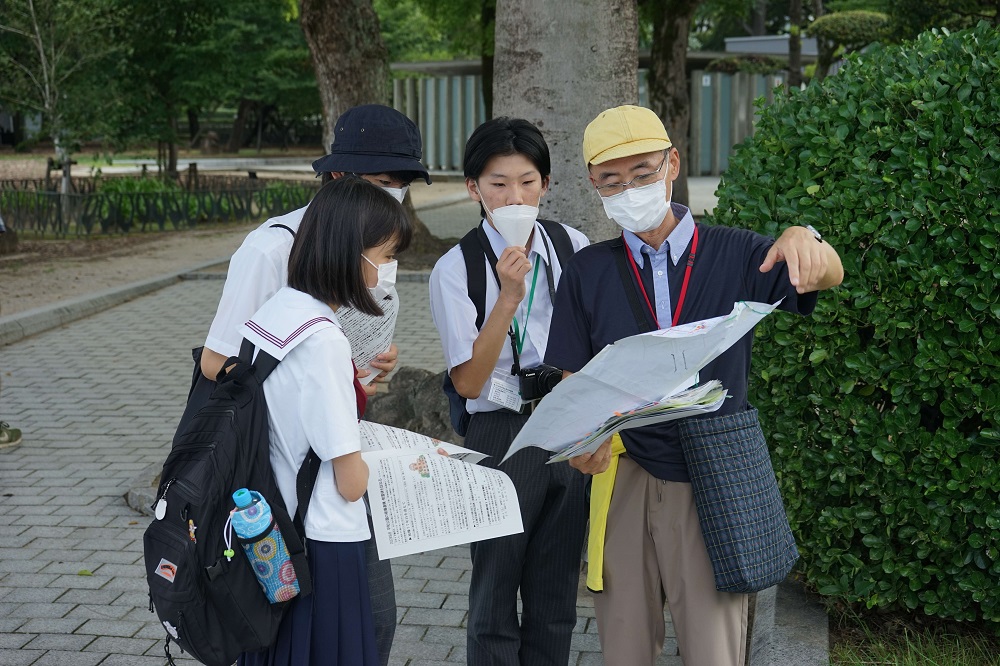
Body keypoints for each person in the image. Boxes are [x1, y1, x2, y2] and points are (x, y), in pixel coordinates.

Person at [544, 105, 844, 666]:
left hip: (712, 471)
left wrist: (809, 241)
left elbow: (823, 273)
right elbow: (572, 380)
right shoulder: (588, 271)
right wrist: (583, 442)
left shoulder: (738, 252)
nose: (628, 189)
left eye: (642, 173)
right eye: (611, 180)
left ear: (672, 164)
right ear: (593, 185)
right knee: (624, 645)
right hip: (624, 470)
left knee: (713, 647)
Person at [200, 104, 430, 666]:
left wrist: (361, 371)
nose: (391, 197)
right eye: (379, 183)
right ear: (335, 181)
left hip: (332, 448)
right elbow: (216, 364)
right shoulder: (271, 249)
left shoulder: (369, 242)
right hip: (288, 481)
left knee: (361, 620)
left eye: (399, 185)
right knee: (325, 624)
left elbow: (342, 341)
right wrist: (312, 393)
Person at [428, 117, 590, 665]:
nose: (514, 196)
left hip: (567, 419)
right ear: (474, 189)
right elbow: (469, 382)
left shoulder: (574, 245)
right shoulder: (457, 268)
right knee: (496, 587)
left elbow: (593, 338)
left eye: (527, 181)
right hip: (499, 429)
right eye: (498, 184)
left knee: (556, 587)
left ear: (545, 184)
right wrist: (507, 298)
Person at [238, 176, 412, 666]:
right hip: (323, 541)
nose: (388, 270)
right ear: (349, 254)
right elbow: (351, 482)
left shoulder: (277, 311)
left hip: (275, 524)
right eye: (385, 255)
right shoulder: (326, 338)